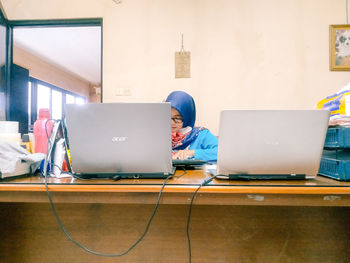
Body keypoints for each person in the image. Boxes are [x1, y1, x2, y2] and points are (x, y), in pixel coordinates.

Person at [165, 91, 218, 162]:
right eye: (168, 116)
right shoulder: (161, 134)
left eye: (177, 118)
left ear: (188, 117)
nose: (171, 123)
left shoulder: (201, 134)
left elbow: (222, 152)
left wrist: (192, 153)